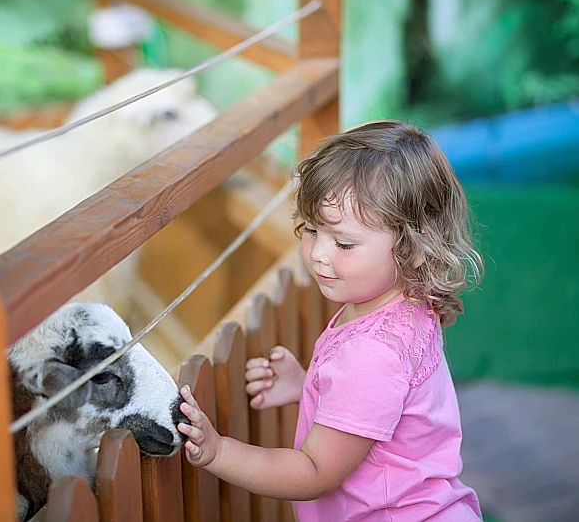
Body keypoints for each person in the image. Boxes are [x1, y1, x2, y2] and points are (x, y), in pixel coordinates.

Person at [176, 120, 484, 521]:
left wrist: (220, 451)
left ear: (414, 248)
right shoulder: (401, 304)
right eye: (311, 229)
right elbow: (379, 407)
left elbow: (316, 472)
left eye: (343, 242)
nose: (318, 253)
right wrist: (308, 385)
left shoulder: (372, 354)